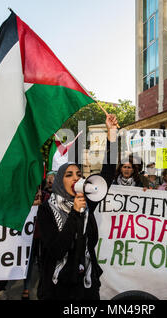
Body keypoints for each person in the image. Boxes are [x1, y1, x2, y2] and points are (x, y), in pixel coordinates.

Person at [36, 113, 118, 300]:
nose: (76, 178)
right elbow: (57, 250)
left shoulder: (86, 201)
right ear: (58, 182)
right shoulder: (46, 210)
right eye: (69, 174)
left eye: (78, 174)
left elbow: (108, 172)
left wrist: (111, 134)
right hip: (58, 286)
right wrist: (74, 214)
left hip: (86, 283)